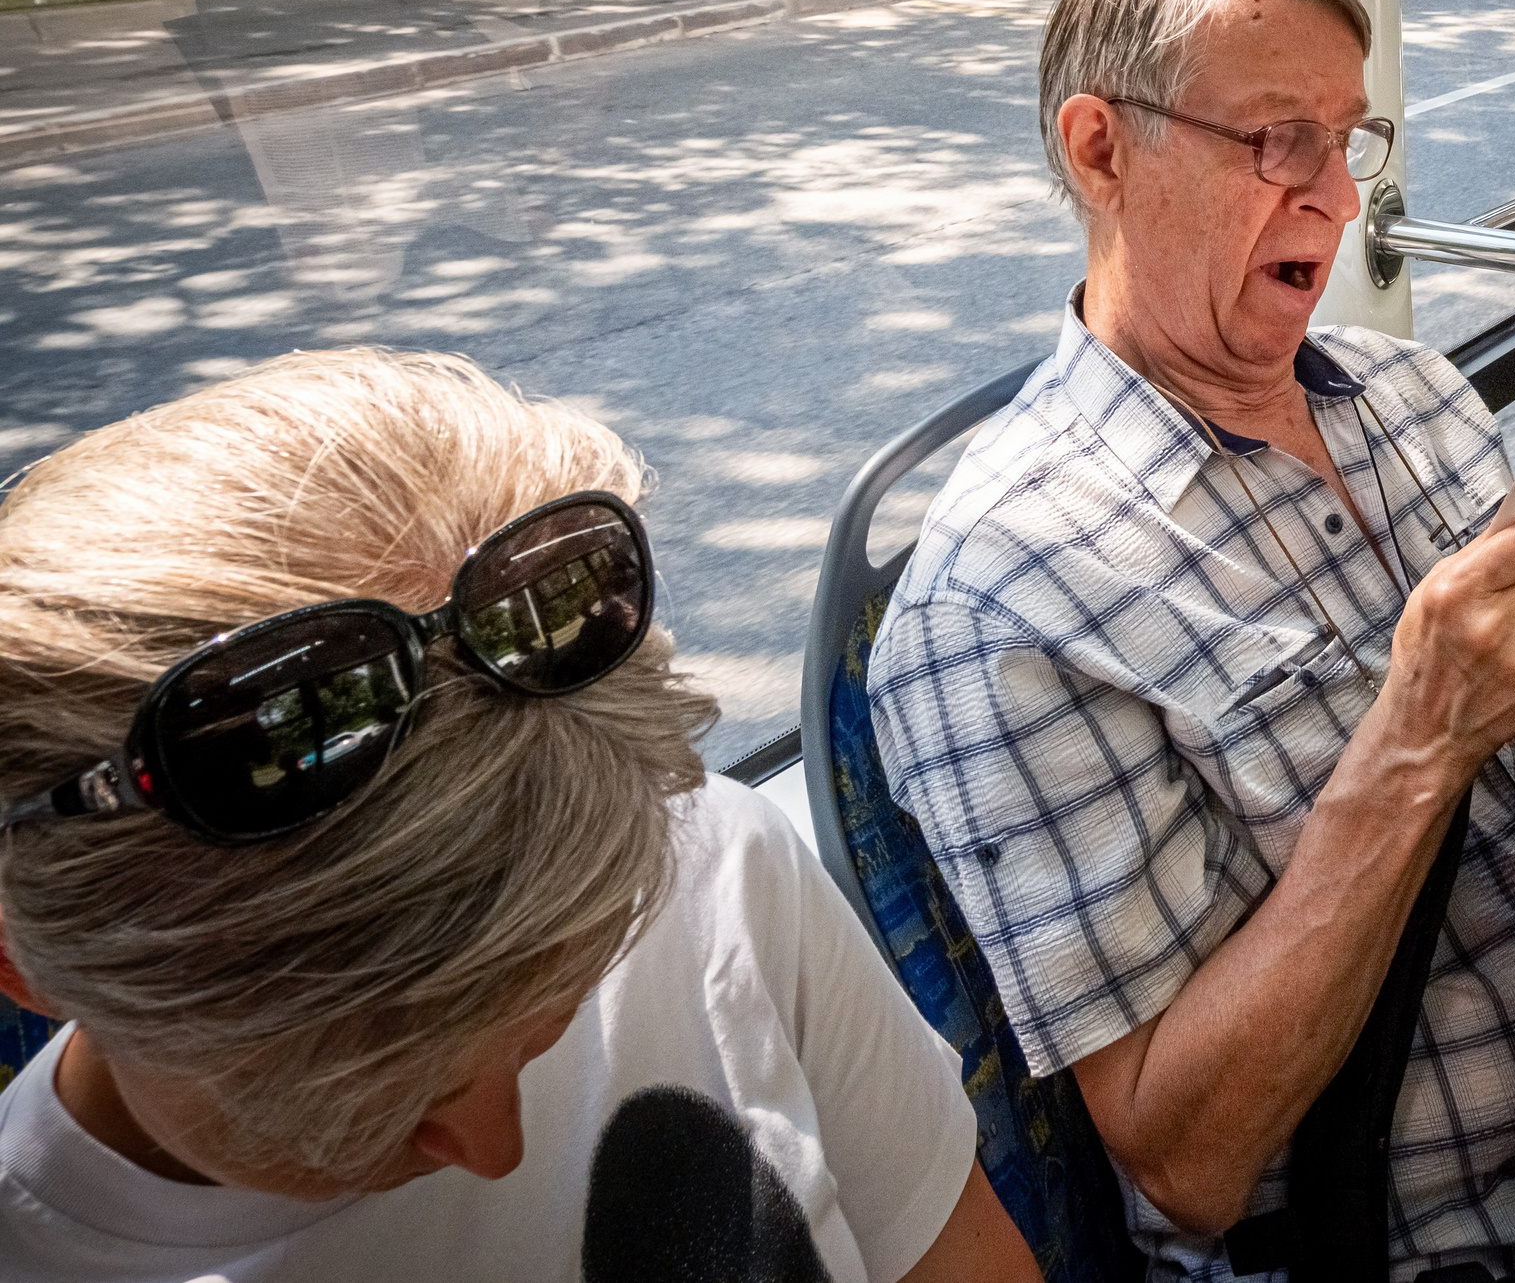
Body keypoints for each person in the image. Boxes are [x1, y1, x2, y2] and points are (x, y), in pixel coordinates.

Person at [867, 0, 1515, 1281]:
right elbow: (1185, 1161)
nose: (1337, 201)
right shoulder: (1004, 600)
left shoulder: (1408, 392)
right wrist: (1415, 742)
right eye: (1278, 141)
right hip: (1462, 1231)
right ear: (1100, 150)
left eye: (1348, 141)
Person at [0, 348, 1038, 1283]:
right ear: (19, 964)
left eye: (559, 1016)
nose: (495, 1149)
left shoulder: (707, 864)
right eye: (355, 1105)